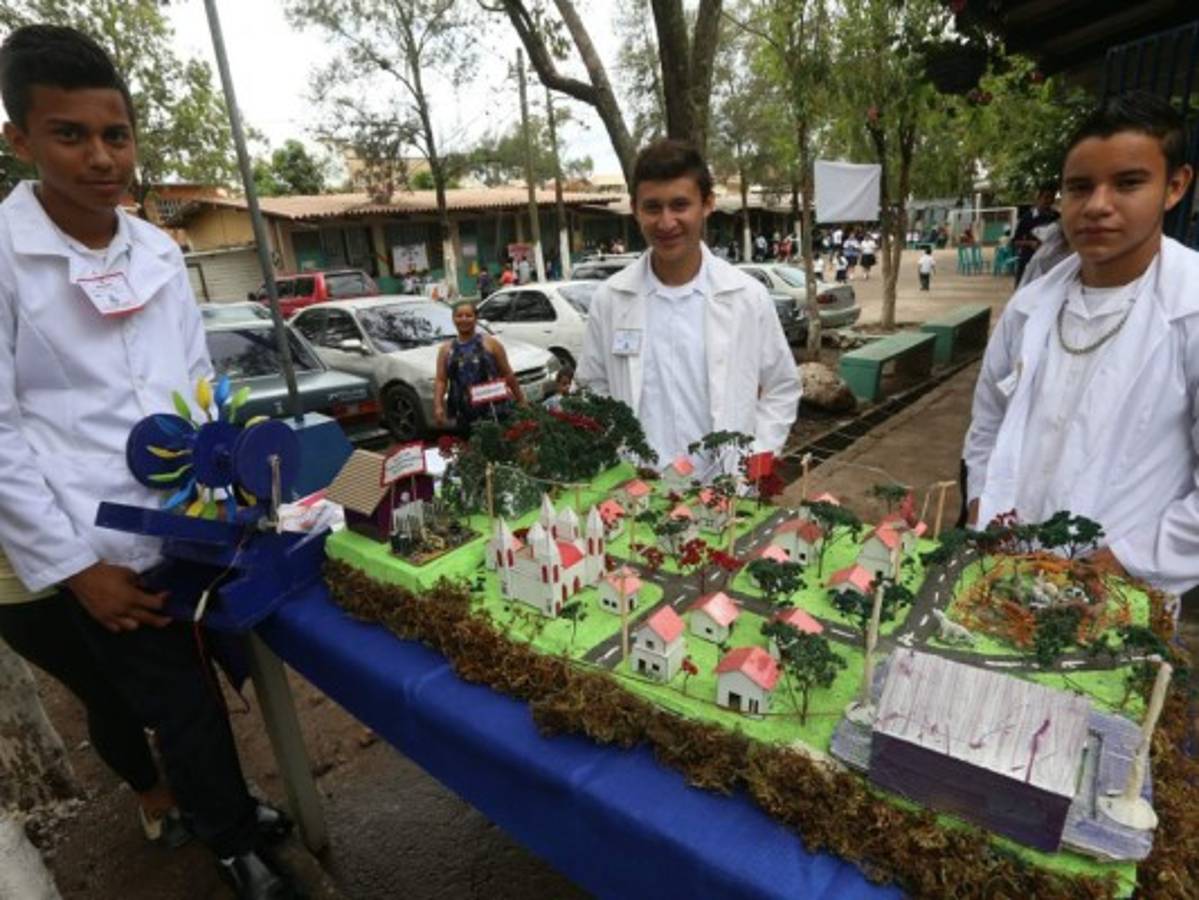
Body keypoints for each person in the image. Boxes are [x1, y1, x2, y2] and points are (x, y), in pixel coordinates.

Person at [0, 25, 295, 899]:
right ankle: (234, 843)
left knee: (215, 675)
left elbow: (195, 382)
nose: (100, 157)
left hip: (194, 520)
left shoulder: (159, 250)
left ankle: (231, 808)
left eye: (115, 135)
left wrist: (233, 482)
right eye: (70, 135)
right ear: (19, 139)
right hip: (100, 545)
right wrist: (75, 567)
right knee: (175, 703)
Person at [964, 91, 1198, 598]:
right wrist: (982, 509)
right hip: (1002, 570)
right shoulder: (1030, 307)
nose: (1097, 206)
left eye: (1128, 183)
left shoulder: (1190, 312)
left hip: (1119, 587)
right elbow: (987, 423)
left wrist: (1122, 563)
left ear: (1175, 186)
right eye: (1080, 187)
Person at [576, 139, 800, 482]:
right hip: (640, 494)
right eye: (653, 207)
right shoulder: (611, 300)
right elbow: (592, 388)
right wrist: (619, 455)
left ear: (707, 204)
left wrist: (755, 463)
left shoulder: (747, 297)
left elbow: (782, 386)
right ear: (635, 209)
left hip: (727, 493)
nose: (666, 223)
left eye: (680, 205)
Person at [433, 300, 526, 432]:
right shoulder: (446, 350)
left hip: (495, 409)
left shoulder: (491, 344)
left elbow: (507, 374)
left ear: (476, 318)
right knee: (470, 449)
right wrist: (438, 406)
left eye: (468, 315)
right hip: (464, 411)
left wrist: (520, 399)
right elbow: (441, 380)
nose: (464, 319)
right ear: (453, 319)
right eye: (459, 316)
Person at [1012, 183, 1061, 285]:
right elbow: (1015, 242)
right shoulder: (1027, 218)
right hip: (1028, 262)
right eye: (1046, 197)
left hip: (1050, 265)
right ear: (1038, 197)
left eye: (1052, 198)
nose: (1049, 201)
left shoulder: (1057, 217)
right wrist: (1030, 243)